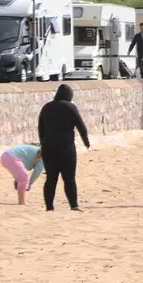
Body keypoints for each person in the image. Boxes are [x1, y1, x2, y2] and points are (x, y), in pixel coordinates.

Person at [37, 83, 90, 212]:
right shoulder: (70, 107)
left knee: (51, 178)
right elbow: (81, 126)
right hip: (66, 148)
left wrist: (43, 142)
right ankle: (74, 205)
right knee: (69, 178)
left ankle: (49, 207)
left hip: (48, 148)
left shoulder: (46, 107)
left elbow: (40, 127)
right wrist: (86, 141)